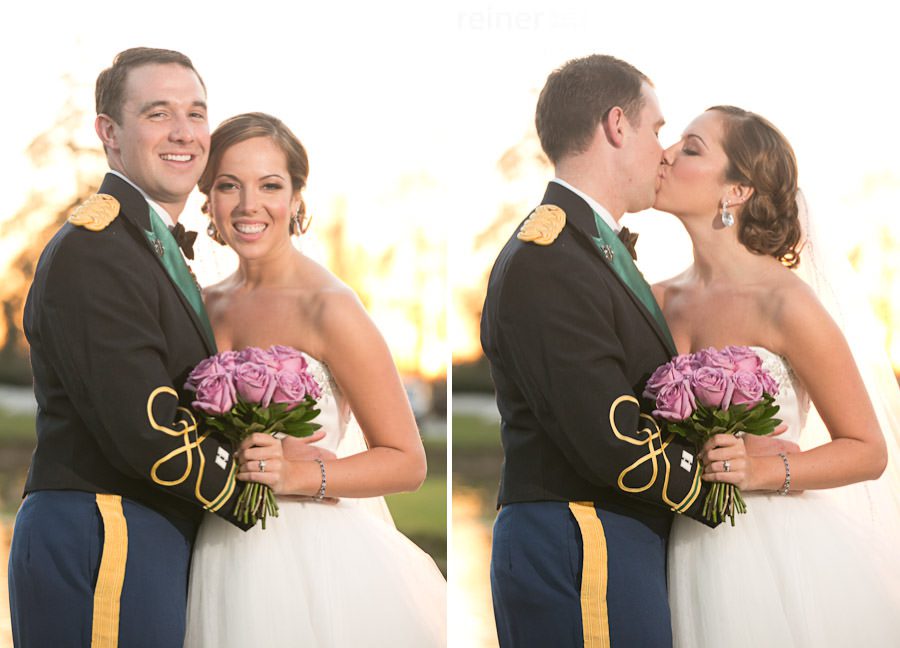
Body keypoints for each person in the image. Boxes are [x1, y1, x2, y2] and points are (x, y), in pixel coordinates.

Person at [479, 55, 753, 647]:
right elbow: (614, 441)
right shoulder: (549, 258)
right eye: (657, 129)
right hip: (580, 542)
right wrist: (719, 486)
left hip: (604, 539)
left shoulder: (589, 248)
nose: (664, 151)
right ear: (617, 126)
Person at [7, 48, 258, 646]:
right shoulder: (97, 251)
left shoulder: (145, 246)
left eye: (196, 114)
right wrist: (259, 493)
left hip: (139, 531)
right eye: (158, 114)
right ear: (109, 132)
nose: (184, 133)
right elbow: (147, 431)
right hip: (105, 533)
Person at [182, 112, 447, 647]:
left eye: (270, 185)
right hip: (214, 549)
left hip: (312, 559)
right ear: (208, 199)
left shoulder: (331, 307)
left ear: (297, 198)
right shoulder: (201, 305)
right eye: (229, 185)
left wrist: (298, 476)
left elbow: (407, 461)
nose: (248, 204)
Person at [654, 105, 900, 646]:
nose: (665, 154)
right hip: (673, 546)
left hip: (770, 553)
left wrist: (760, 471)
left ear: (736, 191)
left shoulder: (785, 303)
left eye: (691, 148)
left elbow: (867, 448)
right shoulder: (654, 298)